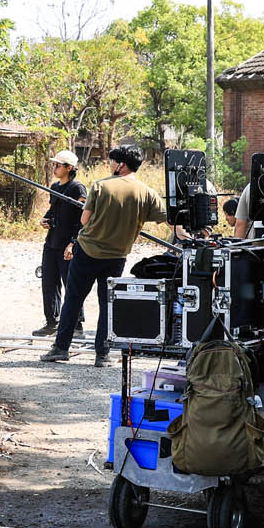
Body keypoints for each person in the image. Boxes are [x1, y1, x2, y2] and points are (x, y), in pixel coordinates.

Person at [40, 144, 163, 367]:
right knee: (107, 303)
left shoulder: (101, 186)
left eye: (113, 161)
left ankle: (60, 349)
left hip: (88, 251)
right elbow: (163, 216)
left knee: (74, 299)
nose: (111, 165)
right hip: (117, 256)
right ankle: (102, 355)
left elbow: (85, 220)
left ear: (121, 165)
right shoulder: (146, 192)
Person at [33, 149, 85, 337]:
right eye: (53, 164)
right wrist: (44, 220)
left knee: (71, 284)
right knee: (49, 282)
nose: (54, 168)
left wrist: (73, 243)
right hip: (52, 243)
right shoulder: (55, 187)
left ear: (69, 168)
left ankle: (77, 325)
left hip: (68, 245)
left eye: (58, 165)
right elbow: (53, 210)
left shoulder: (77, 188)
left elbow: (82, 220)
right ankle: (51, 321)